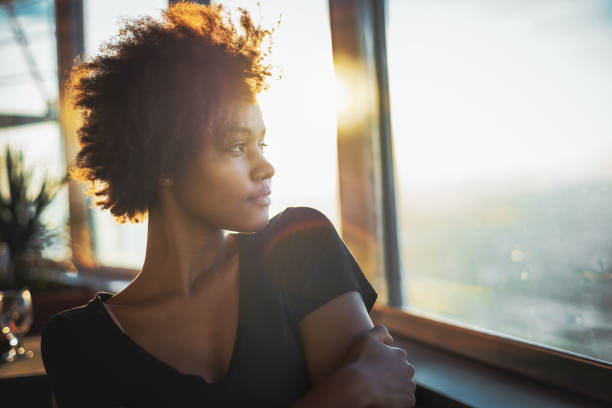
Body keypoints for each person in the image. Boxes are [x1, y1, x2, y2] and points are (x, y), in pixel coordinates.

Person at [41, 3, 416, 407]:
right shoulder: (79, 341)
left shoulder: (301, 246)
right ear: (164, 161)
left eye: (262, 144)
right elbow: (368, 395)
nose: (266, 167)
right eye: (237, 147)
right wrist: (351, 389)